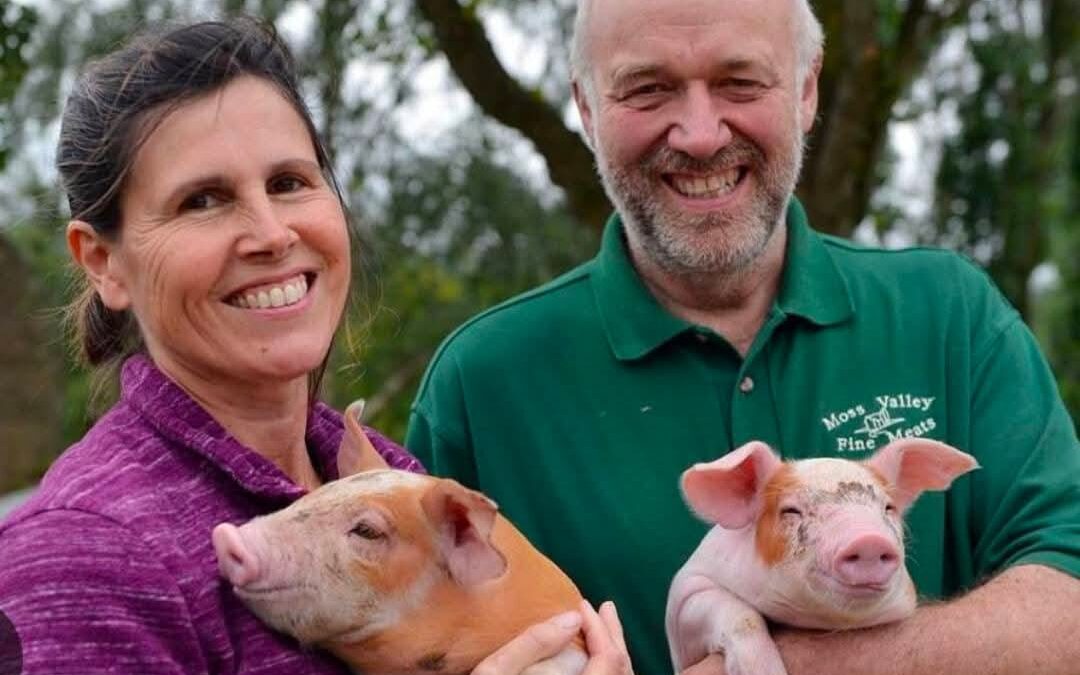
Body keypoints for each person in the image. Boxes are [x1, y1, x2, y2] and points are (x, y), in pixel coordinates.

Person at [405, 0, 1080, 673]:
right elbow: (400, 640)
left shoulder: (949, 314)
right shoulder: (483, 382)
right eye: (648, 88)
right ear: (586, 109)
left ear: (807, 90)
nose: (700, 134)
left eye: (741, 82)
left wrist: (789, 665)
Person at [0, 18, 632, 675]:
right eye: (203, 199)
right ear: (103, 262)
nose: (271, 234)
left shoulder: (385, 473)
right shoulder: (77, 558)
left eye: (289, 183)